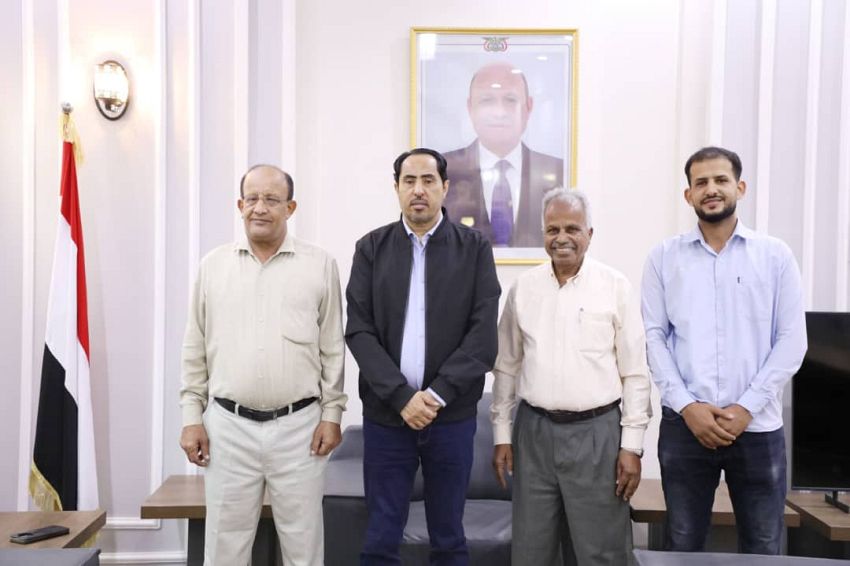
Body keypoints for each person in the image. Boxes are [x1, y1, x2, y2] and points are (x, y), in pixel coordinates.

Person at [641, 146, 807, 554]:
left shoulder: (775, 256)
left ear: (740, 187)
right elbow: (654, 338)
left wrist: (746, 408)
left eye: (721, 180)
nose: (711, 189)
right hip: (685, 427)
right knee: (683, 542)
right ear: (689, 195)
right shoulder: (663, 258)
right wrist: (687, 406)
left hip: (757, 427)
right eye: (701, 183)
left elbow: (792, 341)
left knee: (764, 544)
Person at [179, 164, 346, 565]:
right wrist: (191, 417)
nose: (260, 208)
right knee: (224, 549)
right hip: (227, 428)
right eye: (252, 199)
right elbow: (194, 347)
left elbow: (333, 349)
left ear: (290, 207)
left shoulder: (320, 265)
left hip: (300, 429)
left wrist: (332, 415)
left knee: (303, 549)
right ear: (240, 205)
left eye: (272, 199)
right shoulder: (212, 266)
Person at [345, 148, 500, 565]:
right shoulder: (371, 248)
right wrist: (402, 398)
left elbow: (483, 338)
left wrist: (435, 395)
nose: (418, 190)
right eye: (409, 181)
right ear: (396, 188)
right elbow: (359, 331)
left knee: (449, 538)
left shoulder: (474, 249)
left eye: (428, 181)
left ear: (445, 188)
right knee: (380, 538)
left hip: (450, 417)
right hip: (386, 417)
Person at [491, 187, 652, 565]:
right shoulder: (523, 289)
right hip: (534, 434)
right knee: (531, 552)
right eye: (553, 229)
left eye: (572, 229)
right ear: (543, 234)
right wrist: (501, 434)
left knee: (601, 553)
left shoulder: (615, 286)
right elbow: (506, 366)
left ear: (589, 234)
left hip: (597, 435)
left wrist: (631, 446)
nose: (561, 238)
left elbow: (635, 374)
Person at [443, 62, 564, 248]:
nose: (499, 113)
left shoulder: (558, 172)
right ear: (470, 108)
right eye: (487, 101)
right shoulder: (443, 171)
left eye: (510, 100)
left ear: (529, 107)